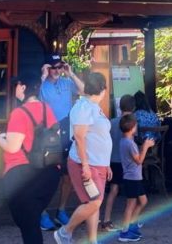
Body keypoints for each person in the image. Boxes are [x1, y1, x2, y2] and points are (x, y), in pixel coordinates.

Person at [0, 72, 62, 244]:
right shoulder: (46, 108)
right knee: (30, 222)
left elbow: (12, 147)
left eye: (16, 86)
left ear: (24, 87)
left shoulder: (19, 113)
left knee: (27, 223)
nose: (15, 90)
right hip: (49, 173)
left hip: (22, 175)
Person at [53, 72, 111, 244]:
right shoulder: (83, 107)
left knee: (93, 203)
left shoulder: (93, 106)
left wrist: (106, 164)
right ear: (103, 89)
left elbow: (99, 137)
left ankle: (92, 240)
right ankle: (65, 232)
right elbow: (79, 136)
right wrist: (85, 165)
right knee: (95, 202)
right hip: (85, 163)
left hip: (97, 163)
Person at [39, 54, 85, 231]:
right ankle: (41, 212)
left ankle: (61, 210)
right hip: (49, 132)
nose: (57, 70)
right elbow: (32, 100)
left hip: (67, 131)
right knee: (48, 176)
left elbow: (83, 91)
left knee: (68, 174)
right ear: (47, 68)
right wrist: (42, 77)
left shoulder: (66, 83)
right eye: (53, 67)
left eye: (59, 67)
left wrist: (71, 73)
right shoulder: (42, 84)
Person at [117, 114, 154, 242]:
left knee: (143, 201)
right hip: (132, 178)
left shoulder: (125, 141)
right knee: (131, 204)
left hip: (134, 177)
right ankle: (124, 231)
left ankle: (132, 223)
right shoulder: (129, 143)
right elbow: (139, 160)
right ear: (132, 128)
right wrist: (145, 147)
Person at [101, 95, 136, 232]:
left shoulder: (112, 122)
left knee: (113, 190)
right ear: (133, 108)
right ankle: (131, 221)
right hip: (128, 162)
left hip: (113, 159)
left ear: (119, 106)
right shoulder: (133, 123)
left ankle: (106, 219)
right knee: (132, 193)